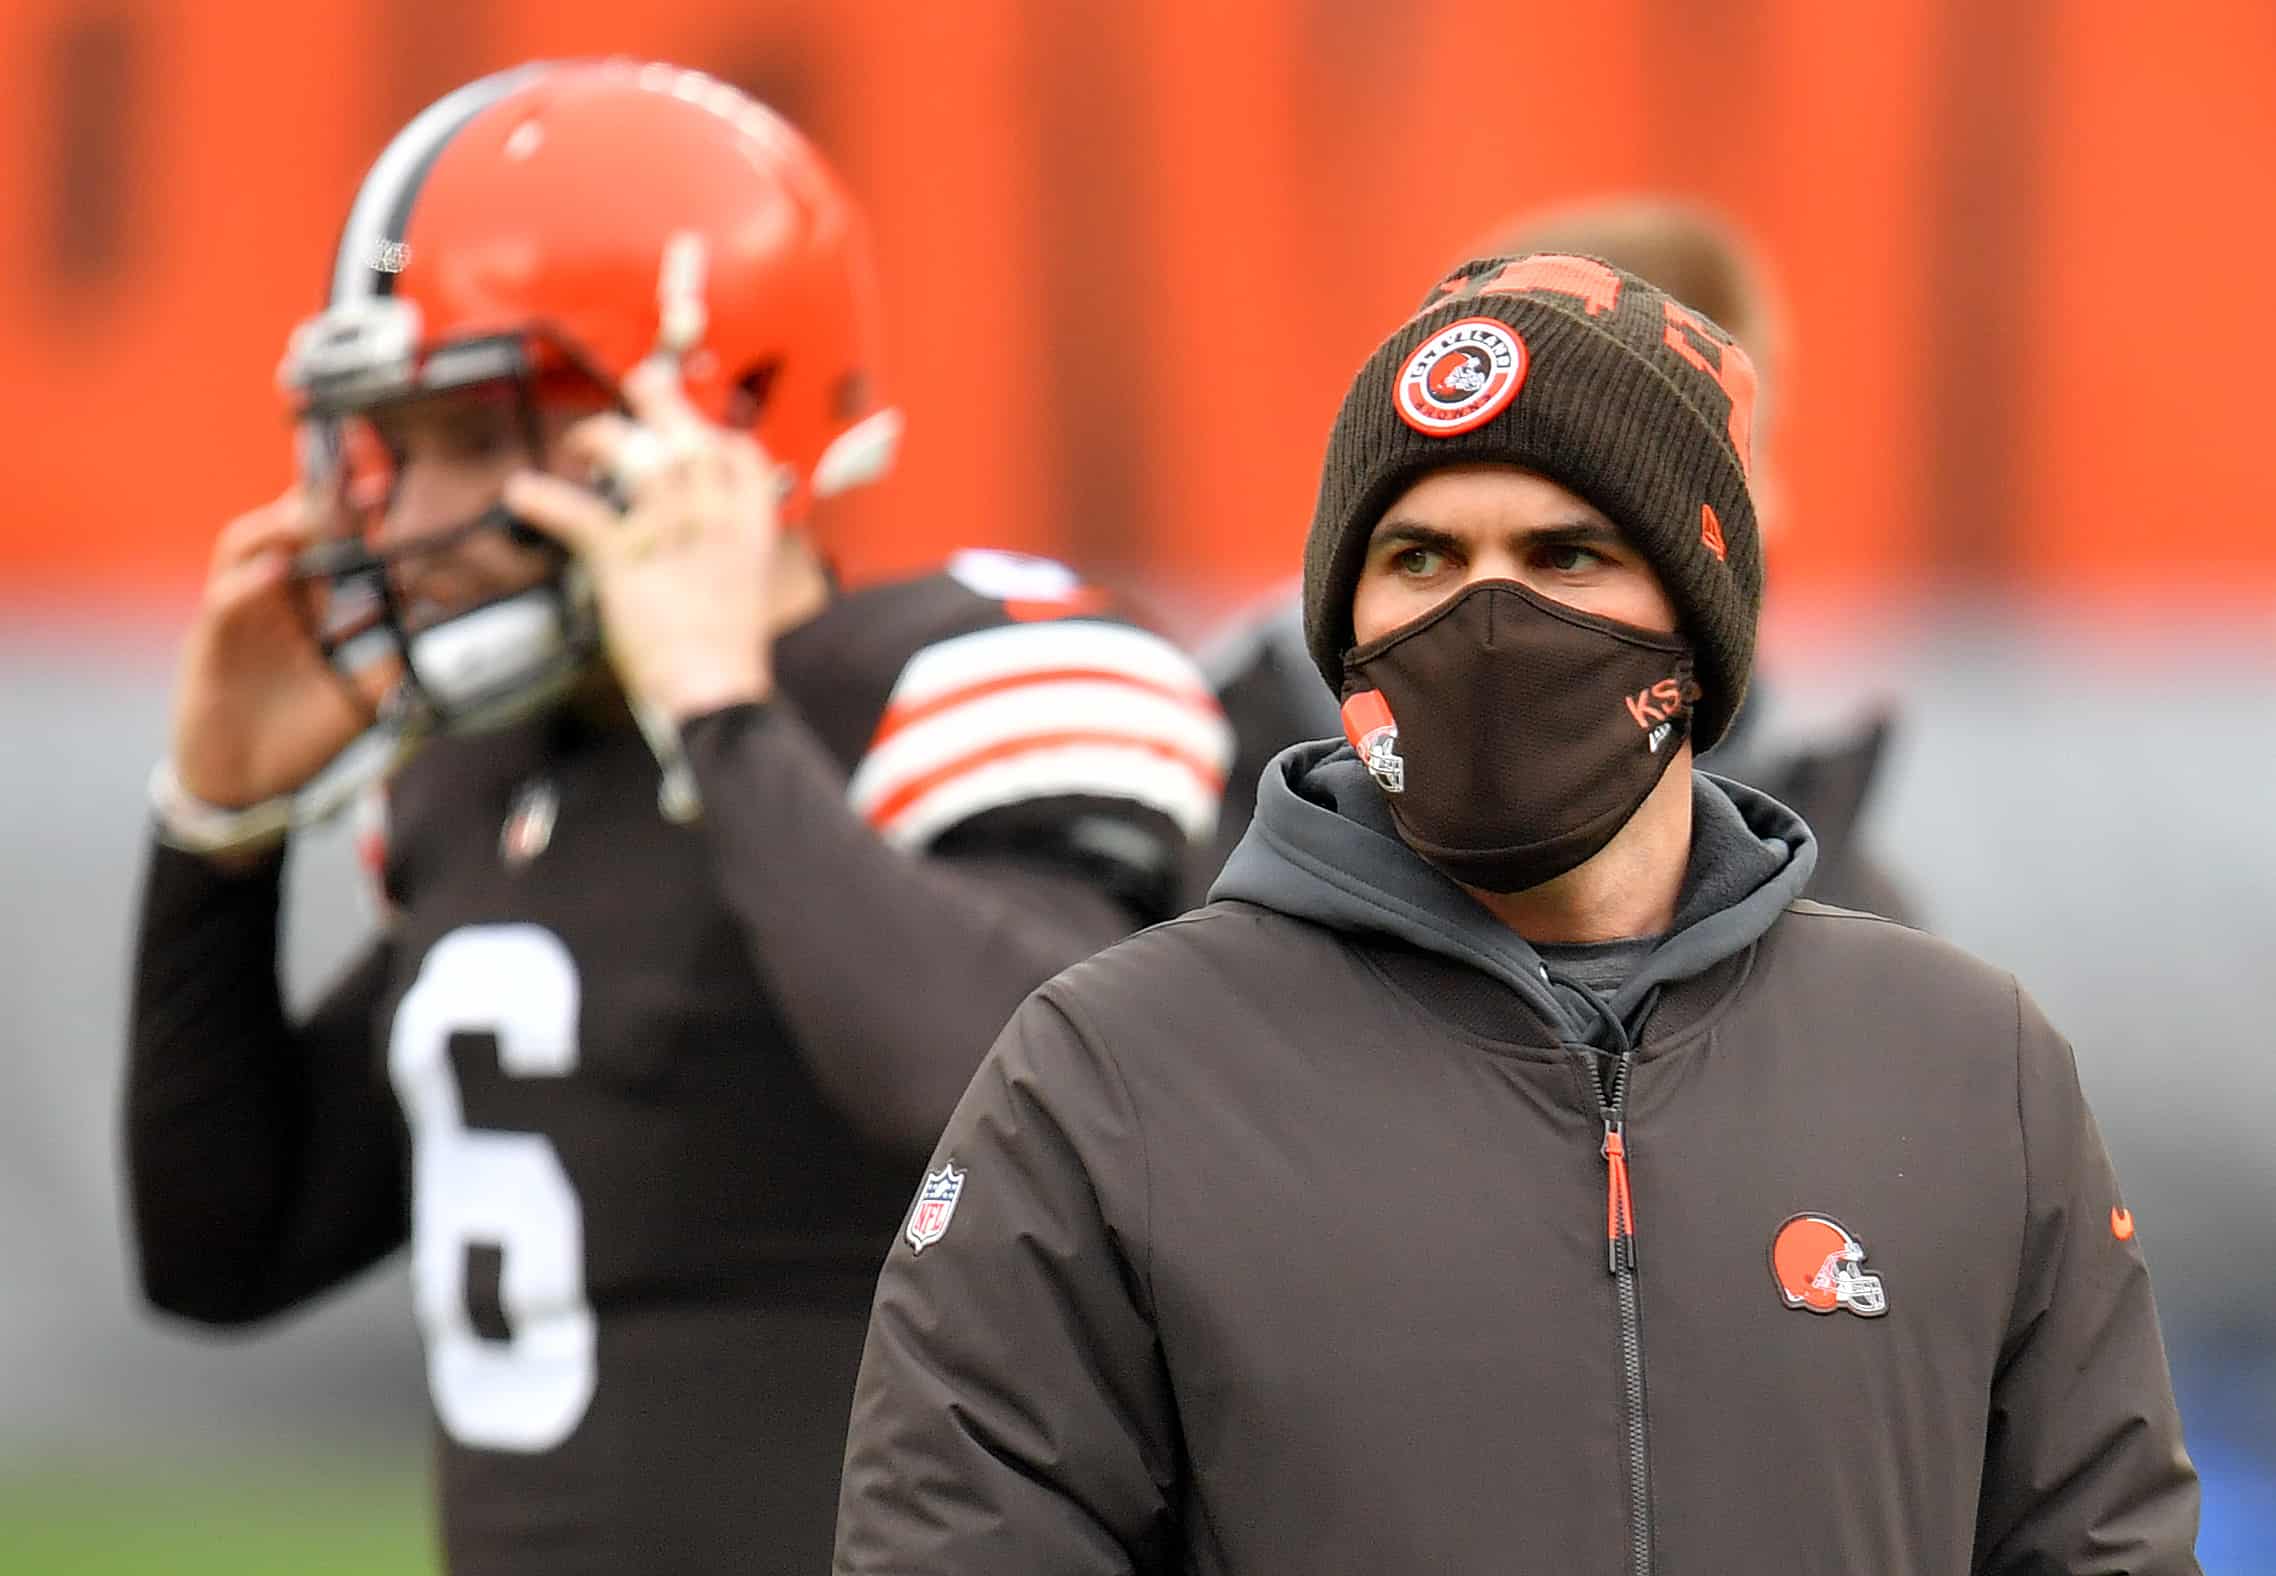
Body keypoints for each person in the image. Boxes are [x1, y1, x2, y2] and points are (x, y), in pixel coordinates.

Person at [834, 253, 2202, 1573]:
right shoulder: (1112, 1080)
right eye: (1424, 557)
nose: (1490, 618)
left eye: (1567, 552)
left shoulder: (1965, 1068)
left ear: (1697, 624)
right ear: (1346, 621)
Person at [123, 59, 1228, 1576]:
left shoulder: (953, 685)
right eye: (394, 443)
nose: (411, 517)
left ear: (722, 403)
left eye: (477, 432)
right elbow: (221, 1249)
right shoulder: (483, 782)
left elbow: (1023, 1108)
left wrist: (720, 714)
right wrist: (215, 839)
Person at [1199, 195, 1917, 924]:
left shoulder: (1831, 901)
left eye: (1565, 556)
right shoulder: (1195, 839)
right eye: (1424, 556)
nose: (1773, 510)